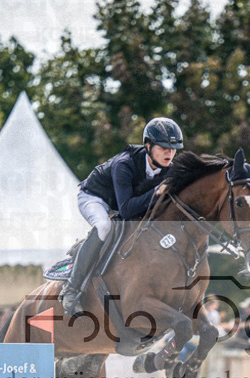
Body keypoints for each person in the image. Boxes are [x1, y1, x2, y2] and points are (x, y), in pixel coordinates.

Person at [60, 117, 184, 315]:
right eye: (163, 148)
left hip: (122, 205)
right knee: (104, 227)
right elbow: (126, 209)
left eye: (173, 148)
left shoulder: (169, 169)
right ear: (148, 146)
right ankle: (72, 289)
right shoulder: (124, 164)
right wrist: (157, 193)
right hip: (95, 198)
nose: (169, 153)